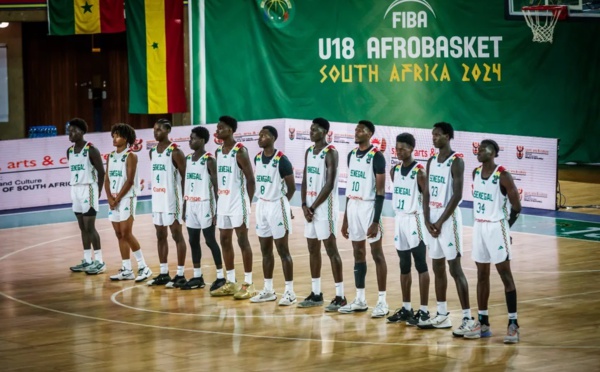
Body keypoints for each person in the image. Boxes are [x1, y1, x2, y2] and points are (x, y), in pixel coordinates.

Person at [463, 139, 522, 344]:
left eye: (482, 149)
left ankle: (513, 324)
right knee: (481, 275)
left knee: (505, 275)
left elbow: (517, 206)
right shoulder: (475, 173)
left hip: (497, 226)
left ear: (493, 153)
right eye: (477, 149)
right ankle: (483, 322)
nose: (478, 152)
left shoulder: (503, 175)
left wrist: (506, 228)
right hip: (479, 226)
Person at [418, 122, 472, 335]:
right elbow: (427, 192)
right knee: (437, 267)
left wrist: (439, 222)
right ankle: (442, 314)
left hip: (448, 222)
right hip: (432, 219)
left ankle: (467, 317)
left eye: (438, 135)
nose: (434, 138)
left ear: (448, 137)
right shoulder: (431, 160)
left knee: (455, 269)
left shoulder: (456, 161)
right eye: (432, 135)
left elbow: (457, 195)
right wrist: (426, 218)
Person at [339, 120, 388, 318]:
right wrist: (345, 218)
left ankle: (382, 301)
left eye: (361, 130)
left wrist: (375, 220)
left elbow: (381, 190)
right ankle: (360, 299)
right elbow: (350, 186)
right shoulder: (351, 155)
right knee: (358, 253)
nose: (356, 132)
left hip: (369, 207)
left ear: (370, 134)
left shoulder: (377, 156)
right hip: (353, 206)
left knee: (377, 254)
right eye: (356, 129)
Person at [298, 118, 346, 312]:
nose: (311, 132)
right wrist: (303, 205)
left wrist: (314, 207)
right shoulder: (309, 152)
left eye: (315, 129)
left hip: (324, 208)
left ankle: (340, 296)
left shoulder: (331, 152)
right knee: (312, 248)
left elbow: (330, 183)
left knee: (331, 249)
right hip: (310, 207)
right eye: (310, 129)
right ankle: (316, 293)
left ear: (325, 132)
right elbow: (304, 180)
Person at [386, 133, 431, 325]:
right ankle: (406, 308)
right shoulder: (394, 170)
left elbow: (427, 199)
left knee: (420, 264)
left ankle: (424, 311)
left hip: (415, 220)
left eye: (403, 148)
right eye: (397, 148)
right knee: (403, 264)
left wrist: (428, 222)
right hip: (400, 220)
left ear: (412, 149)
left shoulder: (420, 172)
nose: (399, 151)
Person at [210, 116, 256, 299]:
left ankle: (248, 283)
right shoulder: (218, 151)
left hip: (238, 202)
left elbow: (251, 179)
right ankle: (230, 282)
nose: (218, 130)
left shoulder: (240, 151)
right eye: (217, 126)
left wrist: (247, 202)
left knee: (242, 241)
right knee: (225, 240)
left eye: (221, 127)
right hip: (223, 202)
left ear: (230, 130)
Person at [249, 126, 297, 306]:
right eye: (259, 134)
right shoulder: (257, 158)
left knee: (283, 250)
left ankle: (290, 292)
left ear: (273, 138)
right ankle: (268, 290)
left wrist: (284, 205)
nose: (260, 137)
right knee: (265, 250)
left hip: (277, 204)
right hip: (262, 205)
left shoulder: (281, 160)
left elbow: (291, 188)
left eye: (264, 135)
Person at [105, 123, 152, 282]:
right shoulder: (111, 156)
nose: (114, 138)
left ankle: (143, 266)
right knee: (119, 234)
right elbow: (106, 178)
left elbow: (130, 181)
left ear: (125, 138)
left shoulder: (131, 155)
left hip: (127, 198)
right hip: (114, 199)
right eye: (113, 135)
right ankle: (126, 269)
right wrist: (109, 198)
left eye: (117, 135)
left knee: (126, 232)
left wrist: (117, 199)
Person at [181, 126, 226, 291]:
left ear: (201, 140)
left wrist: (218, 209)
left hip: (205, 204)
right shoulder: (187, 159)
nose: (190, 141)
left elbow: (216, 185)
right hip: (191, 204)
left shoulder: (209, 159)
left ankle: (221, 276)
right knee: (193, 241)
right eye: (190, 138)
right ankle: (197, 276)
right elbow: (185, 183)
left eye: (193, 138)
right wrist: (185, 204)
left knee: (209, 240)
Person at [147, 119, 188, 288]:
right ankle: (163, 273)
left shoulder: (176, 152)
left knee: (177, 235)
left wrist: (186, 200)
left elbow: (185, 176)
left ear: (167, 130)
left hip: (172, 200)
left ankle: (180, 274)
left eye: (158, 130)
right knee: (160, 235)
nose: (155, 132)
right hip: (157, 200)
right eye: (154, 129)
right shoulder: (152, 152)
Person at [67, 118, 106, 275]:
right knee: (82, 227)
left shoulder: (91, 150)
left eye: (74, 130)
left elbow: (101, 172)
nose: (71, 133)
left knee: (90, 227)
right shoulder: (69, 151)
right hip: (75, 190)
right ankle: (87, 260)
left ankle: (99, 261)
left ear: (82, 132)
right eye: (69, 130)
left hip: (88, 189)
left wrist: (99, 190)